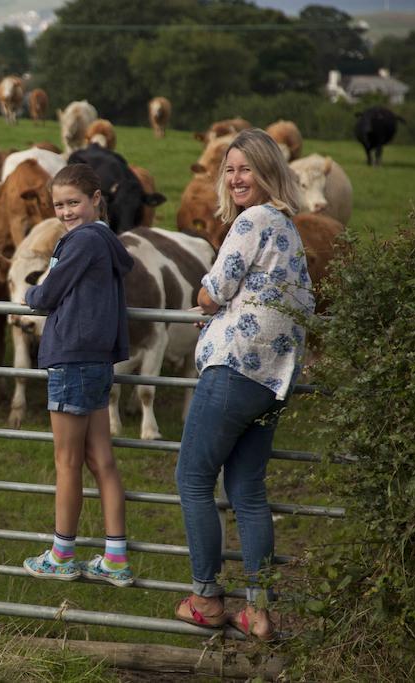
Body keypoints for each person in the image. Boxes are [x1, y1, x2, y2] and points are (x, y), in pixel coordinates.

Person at [173, 128, 315, 641]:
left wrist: (207, 305)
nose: (235, 178)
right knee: (247, 489)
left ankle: (207, 598)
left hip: (234, 369)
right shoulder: (288, 227)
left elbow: (215, 289)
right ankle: (257, 612)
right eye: (229, 169)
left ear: (268, 173)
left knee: (191, 478)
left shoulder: (251, 221)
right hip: (272, 379)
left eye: (245, 169)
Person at [20, 164, 136, 587]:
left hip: (72, 358)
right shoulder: (105, 239)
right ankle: (115, 558)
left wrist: (29, 293)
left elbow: (46, 294)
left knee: (67, 461)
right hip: (98, 360)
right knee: (100, 459)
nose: (66, 211)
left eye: (74, 202)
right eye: (59, 205)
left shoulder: (83, 240)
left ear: (95, 199)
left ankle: (61, 554)